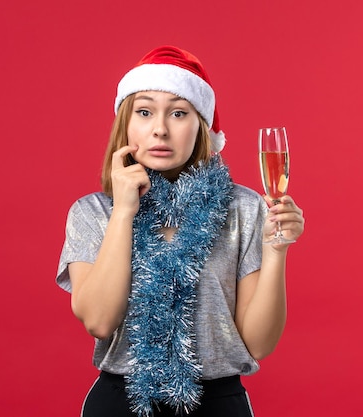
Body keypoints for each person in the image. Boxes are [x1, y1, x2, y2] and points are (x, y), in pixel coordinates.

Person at [56, 45, 305, 417]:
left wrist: (276, 251)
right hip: (121, 404)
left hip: (217, 405)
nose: (160, 128)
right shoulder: (93, 212)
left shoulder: (243, 208)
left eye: (178, 113)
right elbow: (99, 320)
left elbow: (257, 344)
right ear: (126, 123)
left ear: (200, 125)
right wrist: (124, 211)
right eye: (144, 111)